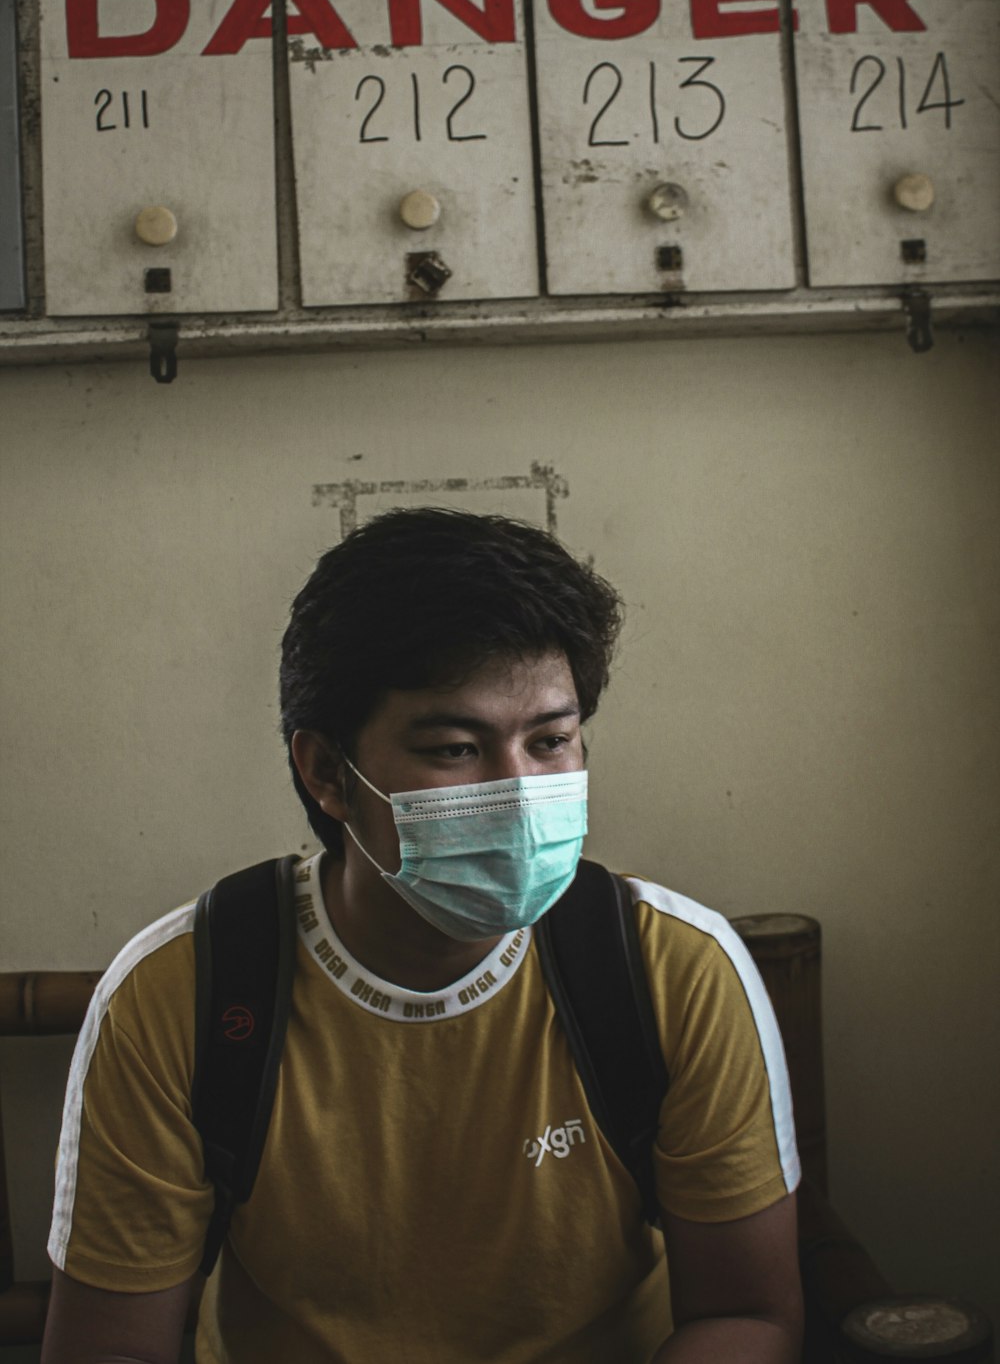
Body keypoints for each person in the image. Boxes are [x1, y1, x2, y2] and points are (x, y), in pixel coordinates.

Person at [42, 508, 803, 1364]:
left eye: (551, 741)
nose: (520, 795)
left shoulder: (674, 972)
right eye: (455, 749)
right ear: (328, 772)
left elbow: (747, 1316)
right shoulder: (180, 996)